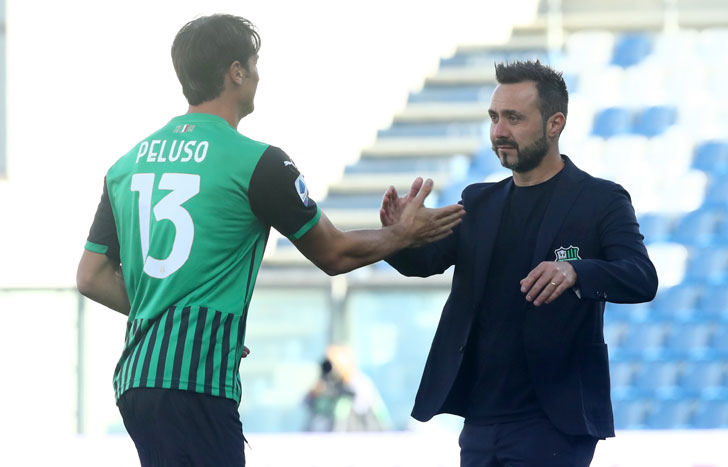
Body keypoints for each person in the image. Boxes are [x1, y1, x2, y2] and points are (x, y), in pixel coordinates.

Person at [75, 14, 464, 467]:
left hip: (136, 380)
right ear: (236, 71)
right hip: (196, 383)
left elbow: (91, 276)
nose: (258, 76)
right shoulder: (257, 163)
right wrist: (402, 234)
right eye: (254, 64)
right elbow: (334, 254)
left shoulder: (126, 165)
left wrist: (164, 316)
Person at [380, 60, 658, 467]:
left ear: (554, 123)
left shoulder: (602, 200)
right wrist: (397, 236)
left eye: (513, 118)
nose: (499, 131)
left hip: (554, 423)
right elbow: (424, 263)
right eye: (494, 117)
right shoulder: (478, 202)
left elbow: (641, 277)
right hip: (480, 419)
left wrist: (577, 270)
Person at [304, 345, 391, 432]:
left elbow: (360, 404)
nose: (331, 366)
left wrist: (345, 380)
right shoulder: (326, 384)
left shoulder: (359, 382)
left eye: (334, 362)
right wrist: (316, 391)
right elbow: (307, 403)